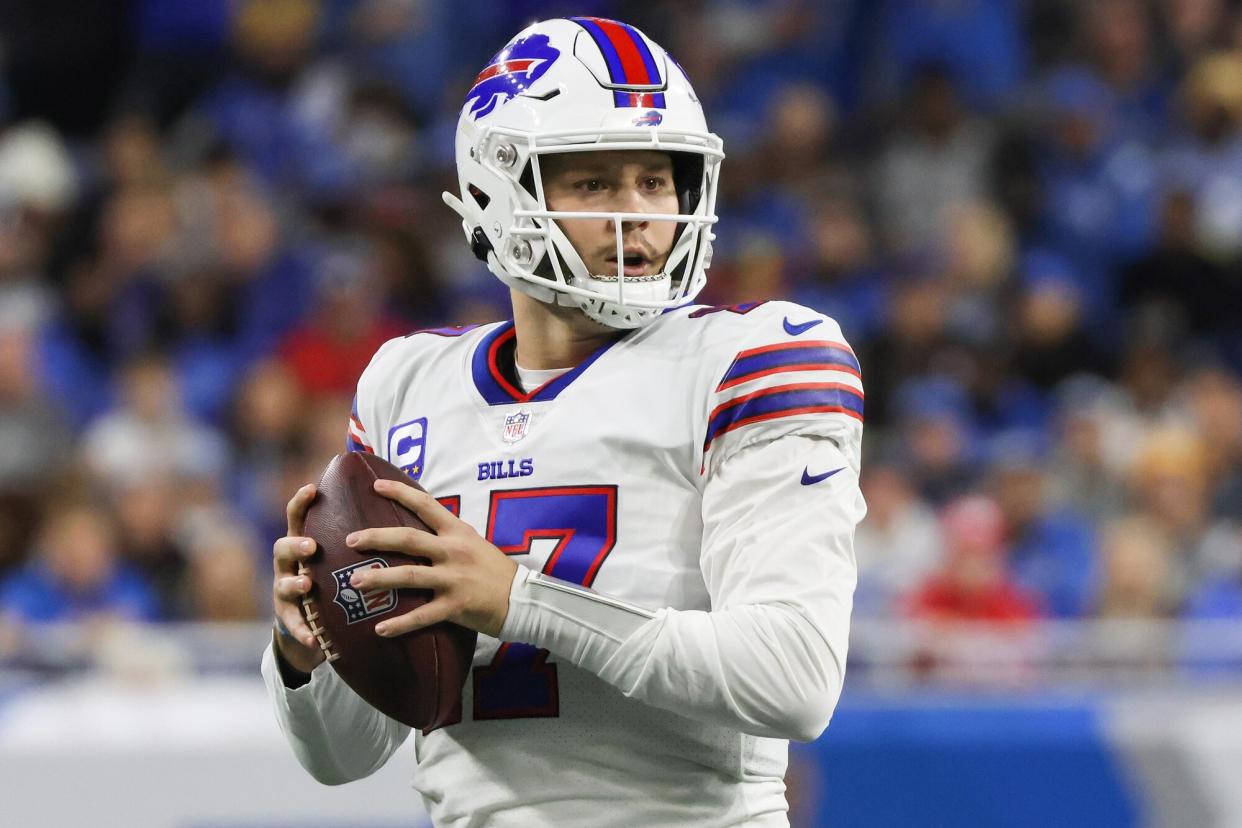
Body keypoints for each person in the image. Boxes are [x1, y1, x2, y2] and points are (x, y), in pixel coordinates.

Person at [262, 17, 865, 827]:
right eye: (595, 184)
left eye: (658, 180)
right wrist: (306, 652)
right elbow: (345, 756)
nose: (643, 215)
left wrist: (518, 600)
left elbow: (793, 679)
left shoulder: (753, 359)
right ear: (496, 193)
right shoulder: (408, 386)